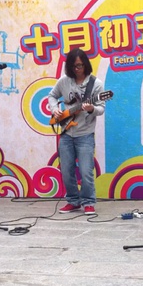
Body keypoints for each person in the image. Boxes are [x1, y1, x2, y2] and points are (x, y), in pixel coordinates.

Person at [48, 48, 106, 215]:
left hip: (85, 134)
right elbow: (52, 96)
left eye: (80, 65)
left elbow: (101, 109)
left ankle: (88, 202)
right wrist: (54, 109)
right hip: (66, 132)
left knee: (86, 171)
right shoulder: (64, 81)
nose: (77, 69)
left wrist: (91, 109)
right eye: (73, 66)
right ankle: (73, 201)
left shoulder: (96, 84)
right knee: (66, 170)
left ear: (86, 64)